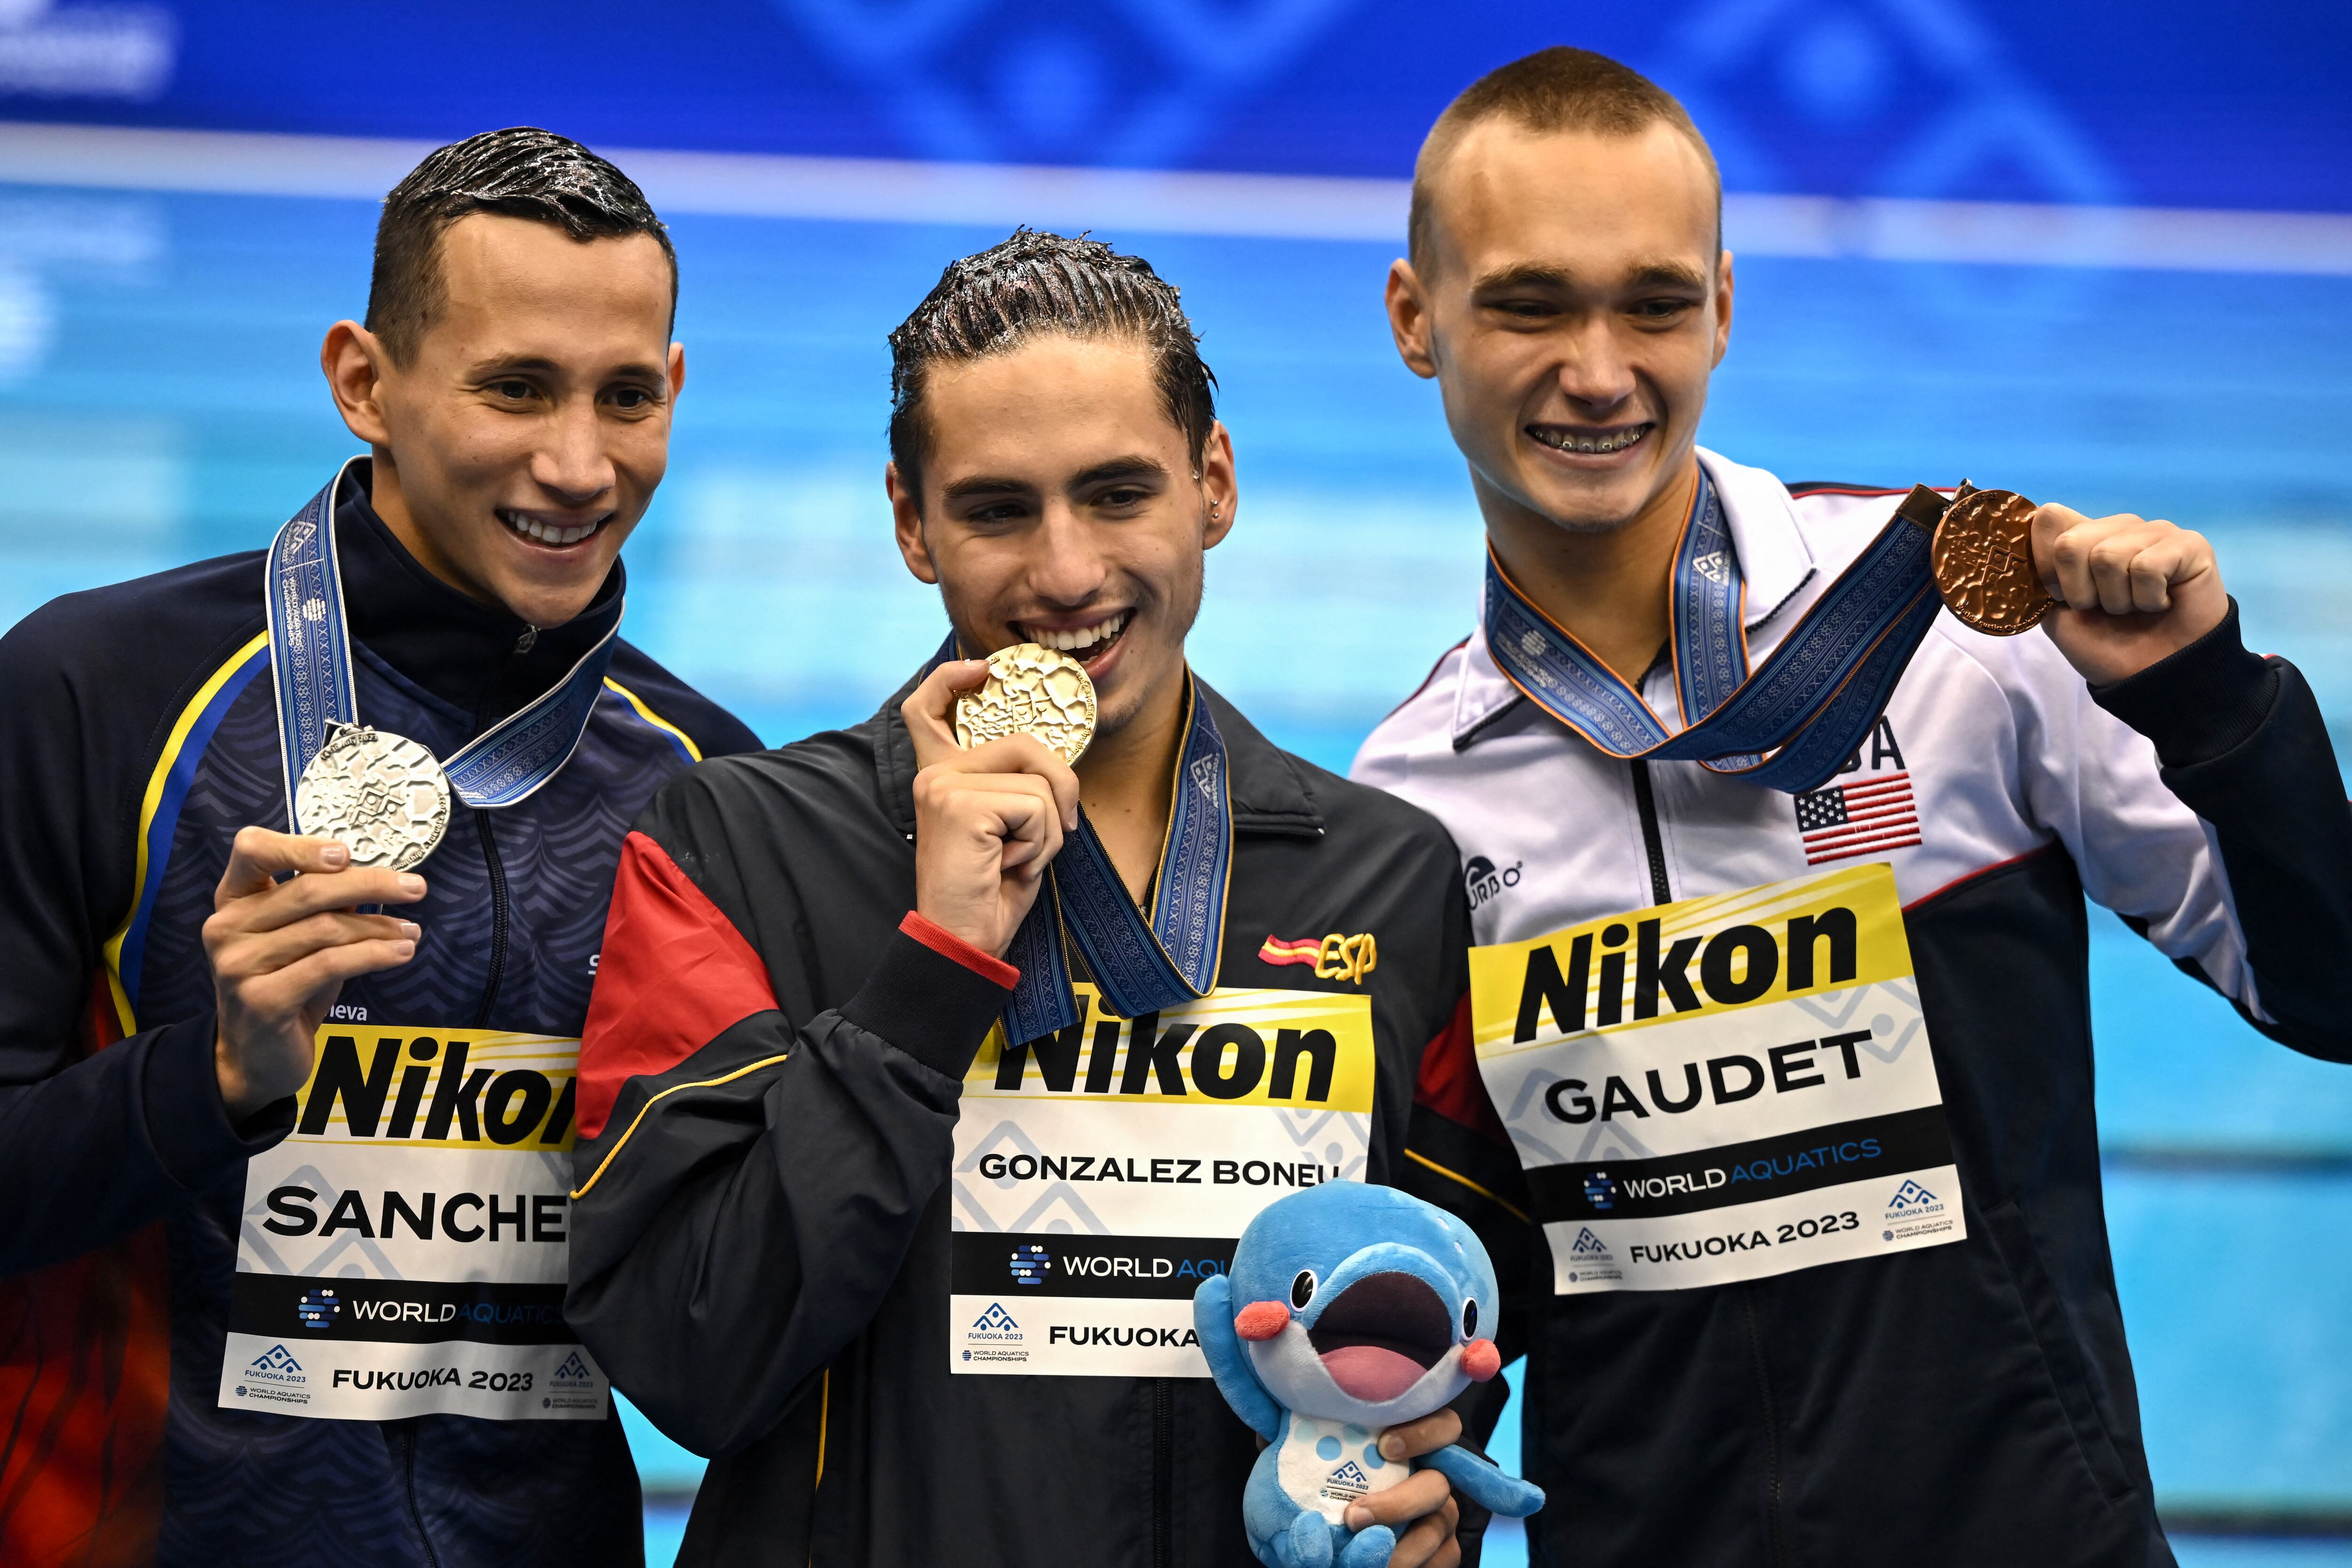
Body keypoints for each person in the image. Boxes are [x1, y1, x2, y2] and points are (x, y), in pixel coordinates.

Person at [1353, 46, 2352, 1568]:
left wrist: (2217, 708)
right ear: (1418, 321)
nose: (1603, 369)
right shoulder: (1411, 800)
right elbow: (1470, 1270)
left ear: (1727, 308)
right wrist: (1412, 1461)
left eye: (1657, 304)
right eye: (1531, 304)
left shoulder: (1960, 630)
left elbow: (2332, 991)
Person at [565, 231, 1526, 1568]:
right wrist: (932, 974)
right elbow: (686, 1354)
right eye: (998, 509)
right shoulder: (734, 847)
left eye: (1119, 492)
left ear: (1214, 483)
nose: (1066, 573)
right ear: (912, 523)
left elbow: (1455, 1332)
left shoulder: (1386, 874)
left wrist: (1420, 1502)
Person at [0, 128, 760, 1565]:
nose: (579, 463)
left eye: (625, 396)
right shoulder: (95, 694)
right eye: (516, 388)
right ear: (365, 382)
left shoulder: (708, 780)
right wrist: (209, 1079)